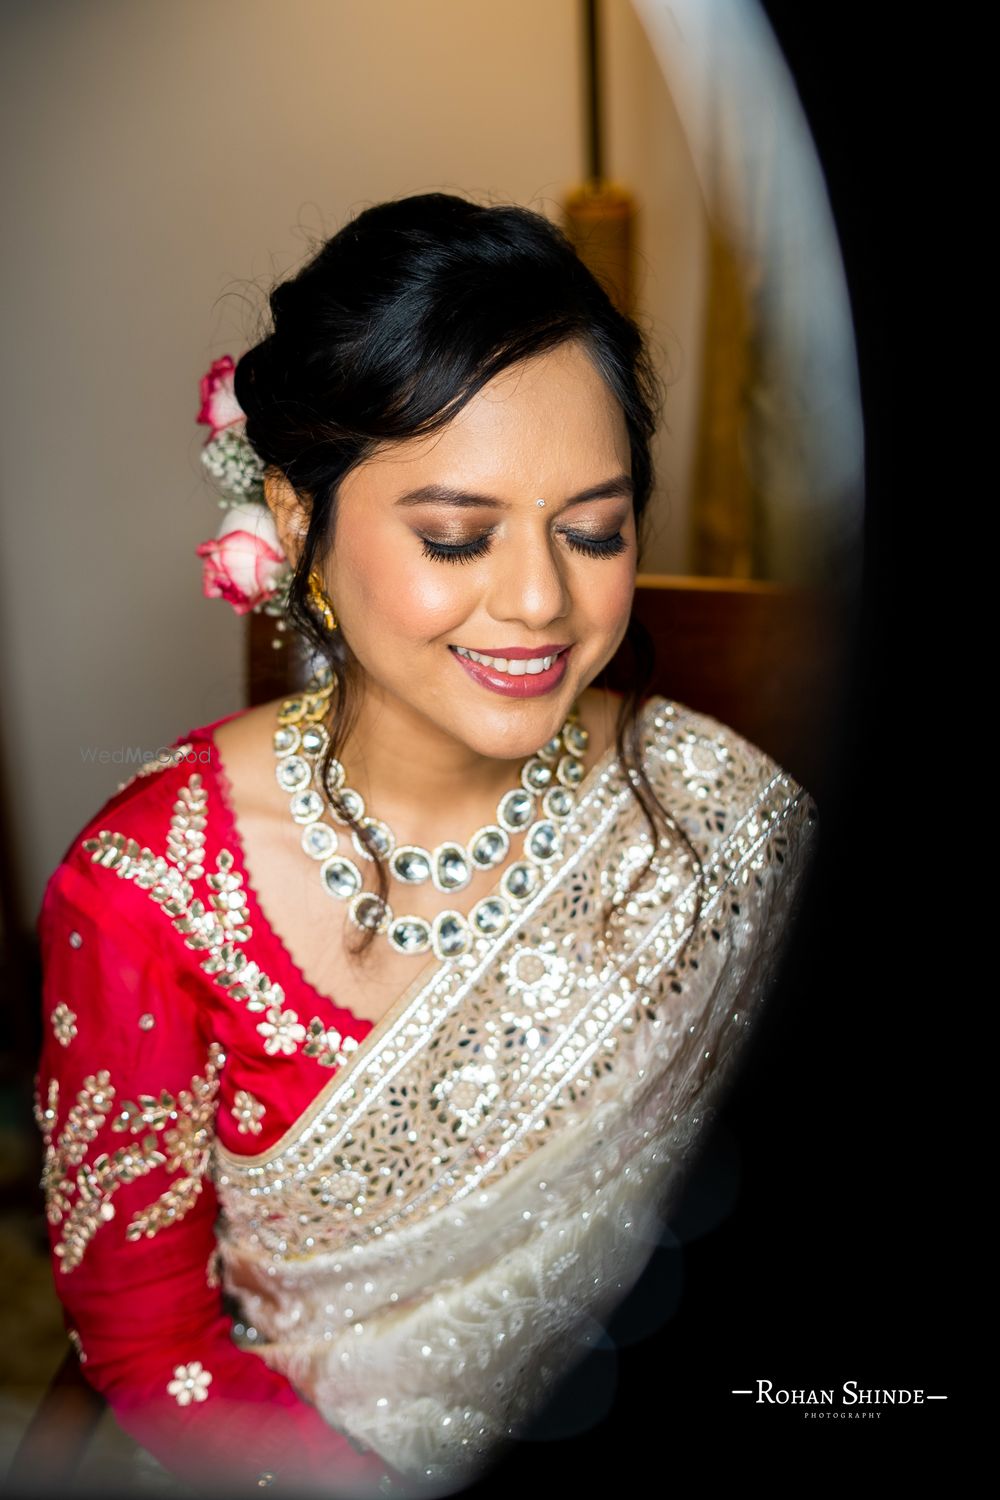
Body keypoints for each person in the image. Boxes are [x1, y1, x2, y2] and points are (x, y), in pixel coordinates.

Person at [33, 193, 819, 1498]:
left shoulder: (717, 813)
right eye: (456, 534)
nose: (541, 603)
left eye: (595, 528)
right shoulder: (147, 899)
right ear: (297, 520)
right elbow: (152, 1340)